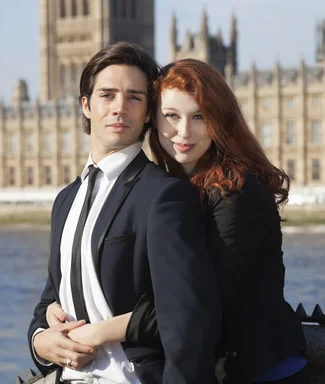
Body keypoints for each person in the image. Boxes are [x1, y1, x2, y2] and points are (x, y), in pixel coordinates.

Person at [46, 59, 309, 383]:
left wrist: (97, 333)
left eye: (199, 116)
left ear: (218, 120)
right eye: (171, 116)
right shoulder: (170, 187)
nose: (183, 132)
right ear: (152, 120)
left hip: (257, 368)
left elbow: (193, 302)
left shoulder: (238, 192)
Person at [27, 45, 221, 384]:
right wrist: (39, 340)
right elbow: (49, 301)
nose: (119, 107)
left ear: (148, 113)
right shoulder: (65, 201)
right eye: (107, 95)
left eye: (134, 97)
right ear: (86, 105)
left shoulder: (164, 195)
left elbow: (186, 318)